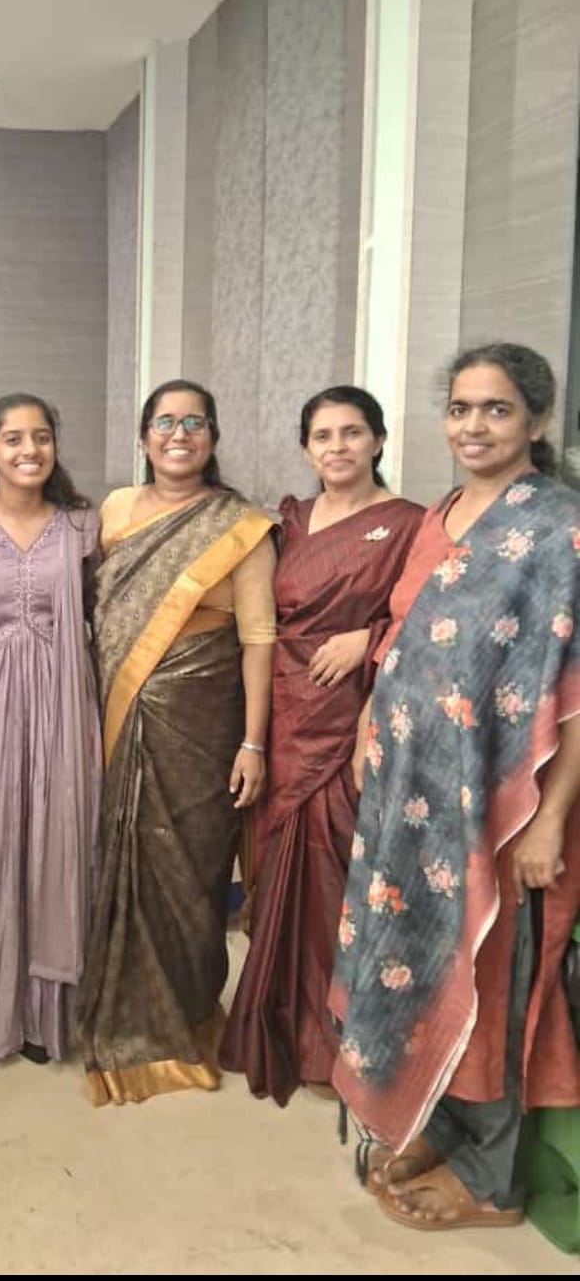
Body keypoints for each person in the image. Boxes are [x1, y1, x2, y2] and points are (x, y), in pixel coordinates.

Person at [331, 344, 580, 1230]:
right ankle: (435, 1120)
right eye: (461, 408)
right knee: (416, 957)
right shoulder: (442, 513)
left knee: (491, 967)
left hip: (501, 805)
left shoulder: (558, 529)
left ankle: (492, 1177)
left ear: (537, 421)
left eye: (497, 410)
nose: (474, 426)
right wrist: (370, 721)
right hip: (411, 793)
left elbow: (576, 688)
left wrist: (549, 820)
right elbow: (407, 633)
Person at [77, 379, 276, 1104]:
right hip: (118, 711)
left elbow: (258, 641)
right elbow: (99, 609)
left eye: (195, 422)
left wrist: (253, 744)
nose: (179, 434)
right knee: (121, 853)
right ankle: (122, 1010)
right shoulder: (115, 510)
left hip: (203, 720)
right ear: (144, 436)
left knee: (190, 872)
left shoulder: (241, 527)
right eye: (165, 422)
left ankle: (186, 1015)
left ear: (213, 437)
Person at [222, 387, 423, 1103]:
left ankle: (337, 1043)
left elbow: (433, 616)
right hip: (283, 713)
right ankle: (278, 1027)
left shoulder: (411, 523)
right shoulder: (289, 523)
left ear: (378, 440)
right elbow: (255, 616)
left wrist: (368, 638)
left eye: (351, 432)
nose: (337, 447)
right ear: (306, 449)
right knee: (275, 873)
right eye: (322, 436)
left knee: (338, 882)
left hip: (351, 721)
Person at [0, 394, 102, 1064]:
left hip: (65, 700)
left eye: (41, 436)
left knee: (59, 840)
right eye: (13, 439)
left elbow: (107, 613)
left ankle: (48, 1013)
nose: (29, 450)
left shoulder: (83, 526)